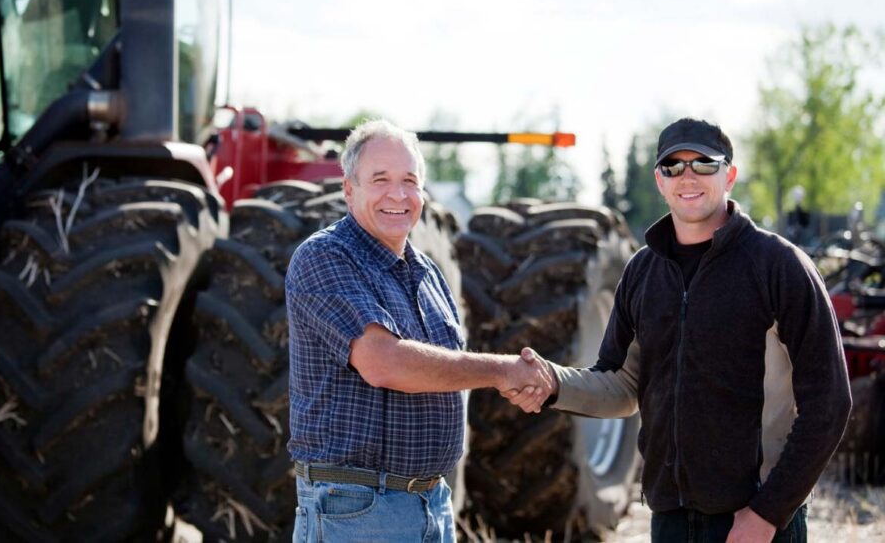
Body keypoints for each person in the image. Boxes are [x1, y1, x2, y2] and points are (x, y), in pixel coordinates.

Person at [507, 117, 852, 543]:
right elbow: (622, 385)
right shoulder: (642, 271)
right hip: (669, 517)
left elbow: (830, 403)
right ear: (659, 180)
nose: (687, 176)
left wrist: (768, 511)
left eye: (704, 164)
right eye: (673, 166)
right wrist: (553, 383)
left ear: (730, 175)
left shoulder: (779, 267)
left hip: (754, 521)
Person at [285, 119, 553, 542]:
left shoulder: (427, 273)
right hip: (356, 511)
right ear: (349, 190)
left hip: (432, 503)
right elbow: (383, 362)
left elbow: (441, 371)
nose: (398, 194)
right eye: (381, 180)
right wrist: (503, 372)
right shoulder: (325, 257)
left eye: (410, 181)